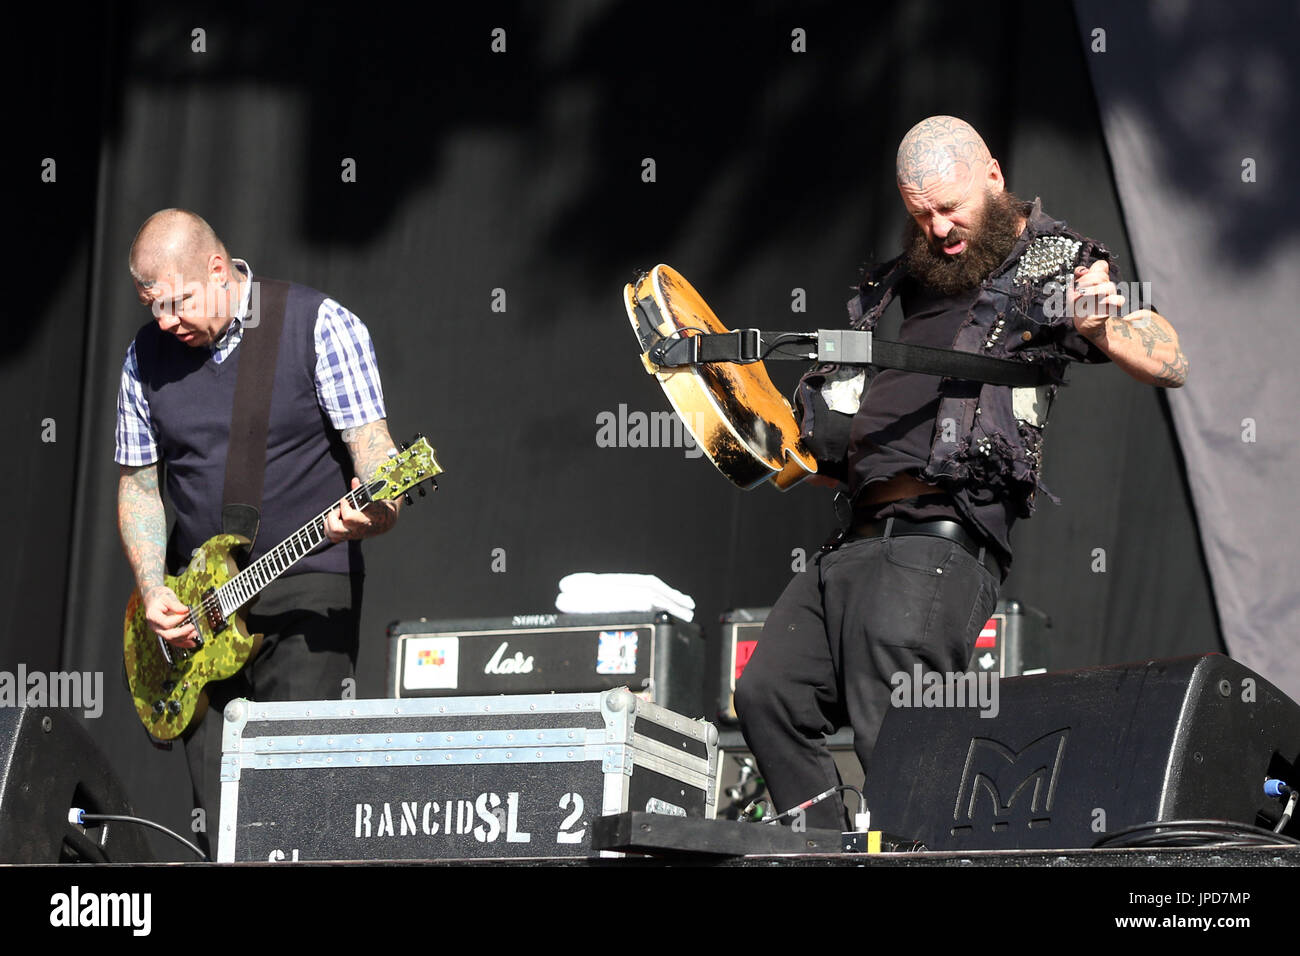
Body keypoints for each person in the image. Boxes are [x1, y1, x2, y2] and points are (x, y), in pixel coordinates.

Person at [734, 116, 1187, 831]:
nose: (939, 226)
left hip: (937, 541)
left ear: (994, 178)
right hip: (852, 539)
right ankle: (824, 849)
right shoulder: (890, 291)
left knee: (896, 725)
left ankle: (915, 856)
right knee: (767, 693)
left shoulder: (1050, 264)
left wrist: (1105, 326)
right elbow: (826, 446)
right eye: (922, 213)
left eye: (952, 207)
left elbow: (1170, 361)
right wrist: (756, 435)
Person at [116, 208, 402, 856]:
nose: (164, 322)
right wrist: (152, 584)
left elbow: (378, 457)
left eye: (177, 303)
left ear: (218, 270)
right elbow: (138, 486)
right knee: (222, 824)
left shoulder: (320, 326)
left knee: (290, 807)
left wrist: (379, 509)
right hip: (203, 609)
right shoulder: (144, 356)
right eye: (151, 306)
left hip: (305, 586)